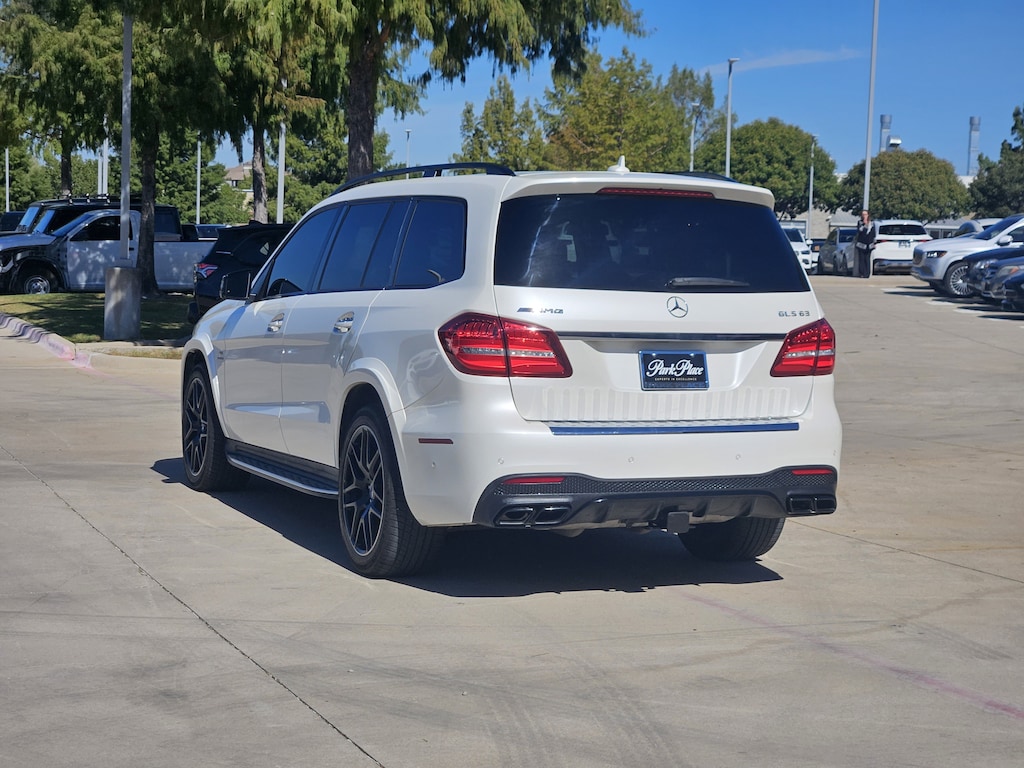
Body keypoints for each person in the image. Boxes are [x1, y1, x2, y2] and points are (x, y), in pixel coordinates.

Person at [853, 209, 876, 278]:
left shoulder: (872, 223)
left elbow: (873, 233)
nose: (864, 216)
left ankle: (867, 273)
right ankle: (862, 273)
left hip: (869, 244)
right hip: (861, 244)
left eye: (865, 214)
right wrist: (864, 224)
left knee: (867, 259)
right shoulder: (860, 223)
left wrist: (874, 243)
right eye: (863, 214)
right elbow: (860, 231)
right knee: (861, 259)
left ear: (868, 215)